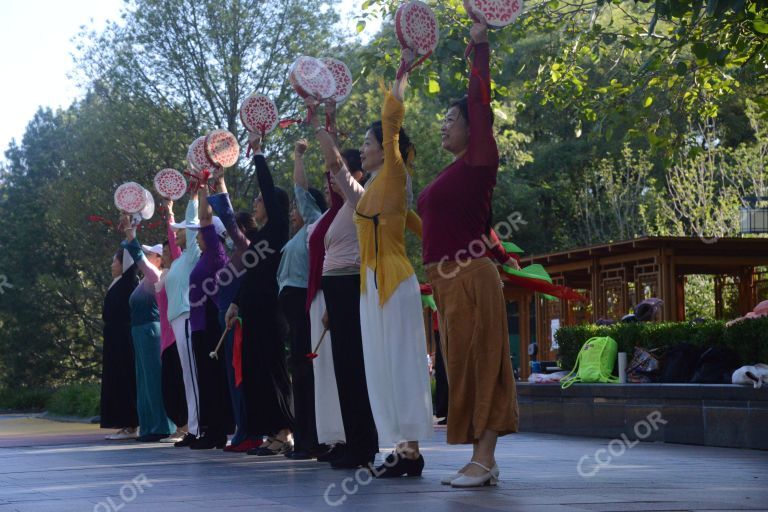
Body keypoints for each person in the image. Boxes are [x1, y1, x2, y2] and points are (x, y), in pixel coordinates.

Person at [311, 52, 433, 477]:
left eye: (368, 142)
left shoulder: (395, 175)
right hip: (371, 285)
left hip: (394, 282)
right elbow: (336, 170)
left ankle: (412, 451)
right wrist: (322, 126)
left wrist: (402, 72)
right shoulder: (372, 189)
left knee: (399, 362)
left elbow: (393, 120)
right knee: (380, 367)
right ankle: (401, 450)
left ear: (385, 150)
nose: (362, 148)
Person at [417, 11, 519, 488]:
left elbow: (481, 99)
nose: (444, 126)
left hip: (471, 279)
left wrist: (480, 47)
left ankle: (484, 457)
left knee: (483, 367)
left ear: (471, 128)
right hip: (448, 283)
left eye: (451, 119)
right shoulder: (453, 172)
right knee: (461, 370)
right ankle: (483, 458)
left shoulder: (481, 156)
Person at [308, 99, 379, 470]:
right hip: (338, 292)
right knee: (344, 370)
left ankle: (364, 446)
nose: (332, 177)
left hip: (350, 286)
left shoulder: (360, 200)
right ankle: (356, 442)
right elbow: (333, 165)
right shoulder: (341, 211)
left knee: (353, 369)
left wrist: (319, 124)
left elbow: (334, 164)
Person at [221, 133, 294, 456]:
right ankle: (269, 431)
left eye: (261, 200)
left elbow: (267, 185)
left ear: (274, 206)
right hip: (252, 314)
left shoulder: (278, 229)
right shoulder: (260, 237)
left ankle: (284, 431)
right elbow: (249, 276)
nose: (256, 204)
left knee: (273, 371)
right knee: (256, 375)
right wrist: (235, 302)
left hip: (270, 313)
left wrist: (259, 153)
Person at [276, 138, 328, 459]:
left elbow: (300, 189)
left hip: (302, 306)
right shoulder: (298, 234)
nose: (295, 210)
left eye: (300, 206)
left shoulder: (314, 223)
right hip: (292, 310)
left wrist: (298, 156)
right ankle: (306, 435)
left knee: (305, 375)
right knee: (299, 373)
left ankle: (311, 440)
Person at [121, 217, 176, 442]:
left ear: (158, 259)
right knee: (144, 381)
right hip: (141, 333)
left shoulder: (155, 276)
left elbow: (137, 256)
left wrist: (131, 235)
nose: (145, 257)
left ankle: (161, 426)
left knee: (153, 380)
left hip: (151, 332)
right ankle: (149, 427)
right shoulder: (145, 279)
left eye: (150, 254)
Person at [165, 190, 202, 447]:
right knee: (187, 376)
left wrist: (193, 199)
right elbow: (174, 233)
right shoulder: (179, 261)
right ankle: (193, 426)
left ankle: (197, 428)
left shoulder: (191, 256)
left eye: (181, 230)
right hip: (178, 320)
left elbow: (190, 229)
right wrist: (168, 213)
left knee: (193, 375)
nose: (176, 234)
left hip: (187, 317)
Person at [157, 200, 188, 443]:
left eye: (169, 248)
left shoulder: (180, 264)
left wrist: (170, 214)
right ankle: (181, 425)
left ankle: (187, 425)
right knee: (169, 387)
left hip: (177, 334)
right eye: (165, 249)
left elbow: (175, 238)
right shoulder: (166, 273)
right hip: (165, 338)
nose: (168, 250)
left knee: (178, 384)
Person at [100, 247, 139, 440]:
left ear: (123, 264)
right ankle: (123, 423)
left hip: (123, 337)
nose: (111, 265)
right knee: (116, 378)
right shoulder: (116, 283)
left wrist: (129, 226)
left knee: (125, 377)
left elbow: (132, 263)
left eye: (115, 261)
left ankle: (130, 424)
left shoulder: (127, 281)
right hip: (113, 337)